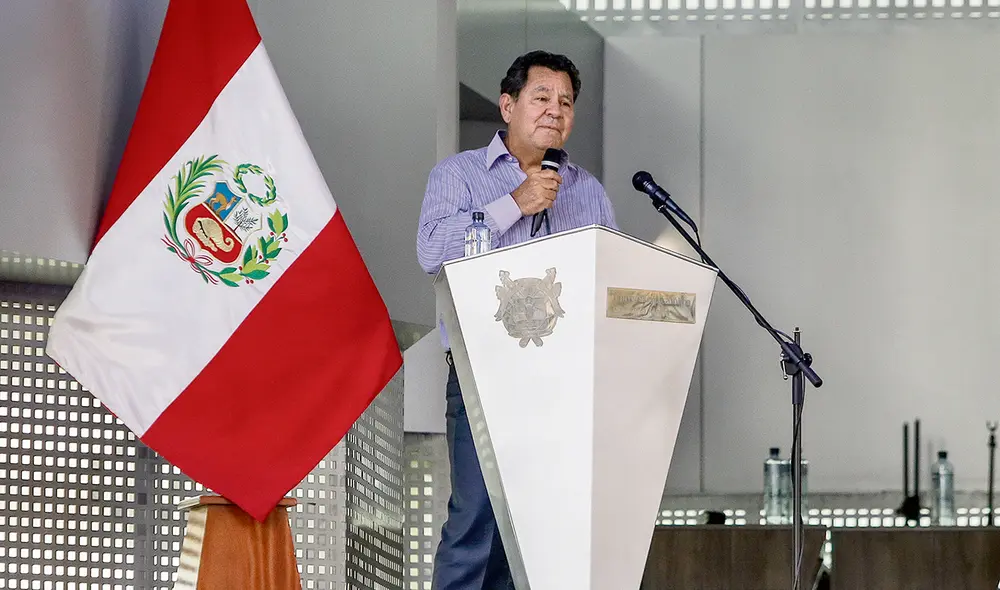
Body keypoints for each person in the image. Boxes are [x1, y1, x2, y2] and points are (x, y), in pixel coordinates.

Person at [415, 50, 618, 590]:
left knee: (532, 528)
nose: (556, 110)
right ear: (507, 105)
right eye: (542, 97)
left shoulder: (587, 192)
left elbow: (606, 281)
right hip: (484, 370)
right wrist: (514, 203)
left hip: (562, 381)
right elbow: (432, 251)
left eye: (566, 102)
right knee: (476, 519)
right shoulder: (457, 176)